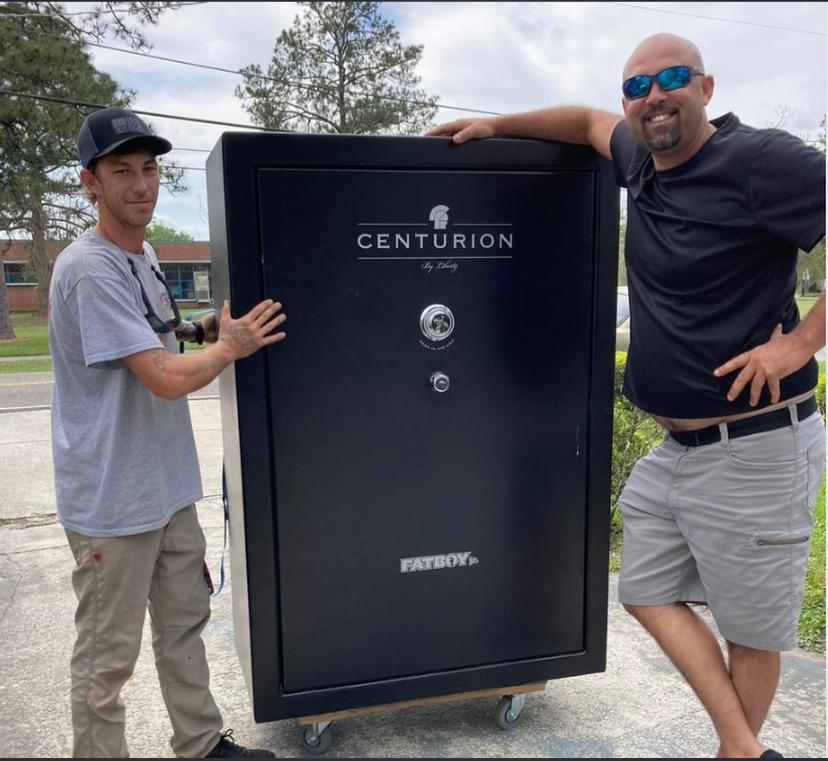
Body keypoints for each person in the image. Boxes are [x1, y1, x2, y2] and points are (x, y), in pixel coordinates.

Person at [428, 33, 825, 759]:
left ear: (706, 89)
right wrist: (495, 125)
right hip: (682, 448)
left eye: (671, 78)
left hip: (755, 446)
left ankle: (737, 750)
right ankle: (744, 746)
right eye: (637, 86)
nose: (653, 96)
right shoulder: (642, 159)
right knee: (642, 587)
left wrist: (797, 345)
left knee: (749, 629)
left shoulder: (760, 160)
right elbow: (582, 123)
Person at [49, 106, 287, 758]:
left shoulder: (145, 255)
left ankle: (202, 743)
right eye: (121, 170)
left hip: (167, 489)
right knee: (106, 660)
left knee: (184, 627)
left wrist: (203, 329)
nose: (141, 184)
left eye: (150, 168)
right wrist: (232, 347)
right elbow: (163, 376)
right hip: (113, 503)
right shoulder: (87, 267)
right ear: (89, 182)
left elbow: (159, 334)